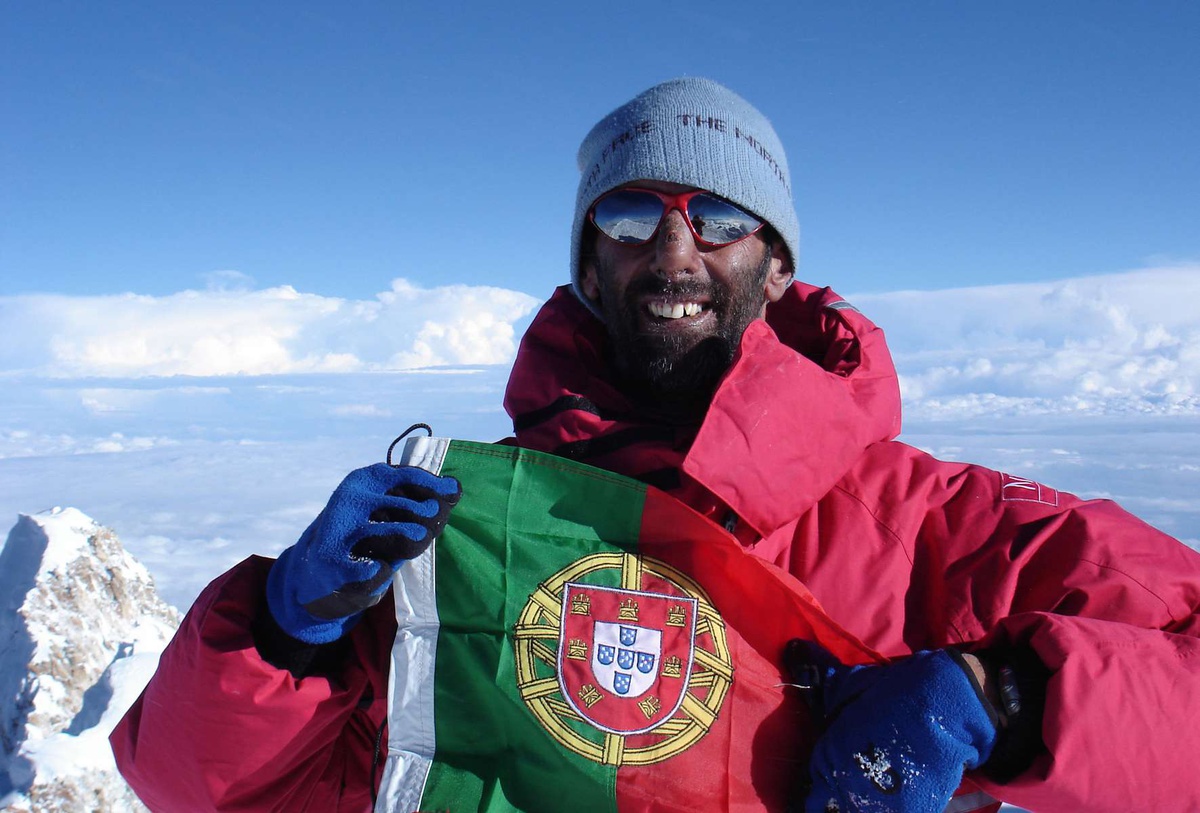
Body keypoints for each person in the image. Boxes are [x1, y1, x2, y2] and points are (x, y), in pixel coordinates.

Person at [111, 78, 1200, 813]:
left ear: (778, 269)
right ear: (590, 268)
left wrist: (999, 696)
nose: (676, 252)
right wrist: (281, 635)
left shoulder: (935, 526)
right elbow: (204, 790)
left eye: (721, 218)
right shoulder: (472, 536)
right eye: (632, 216)